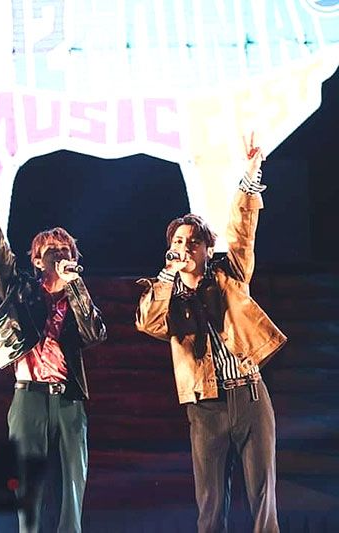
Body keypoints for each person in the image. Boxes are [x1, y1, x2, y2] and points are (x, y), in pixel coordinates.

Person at [135, 133, 287, 533]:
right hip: (205, 405)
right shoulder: (165, 294)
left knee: (263, 499)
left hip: (249, 394)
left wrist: (250, 176)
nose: (185, 247)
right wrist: (167, 275)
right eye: (178, 241)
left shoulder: (229, 276)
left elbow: (242, 230)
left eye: (194, 241)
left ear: (207, 248)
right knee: (211, 504)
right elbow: (149, 322)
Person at [0, 157, 107, 533]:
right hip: (28, 396)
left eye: (63, 249)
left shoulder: (77, 295)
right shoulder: (21, 289)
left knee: (73, 481)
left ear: (73, 257)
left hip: (68, 397)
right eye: (49, 250)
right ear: (37, 260)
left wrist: (76, 286)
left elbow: (94, 334)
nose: (57, 254)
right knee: (27, 483)